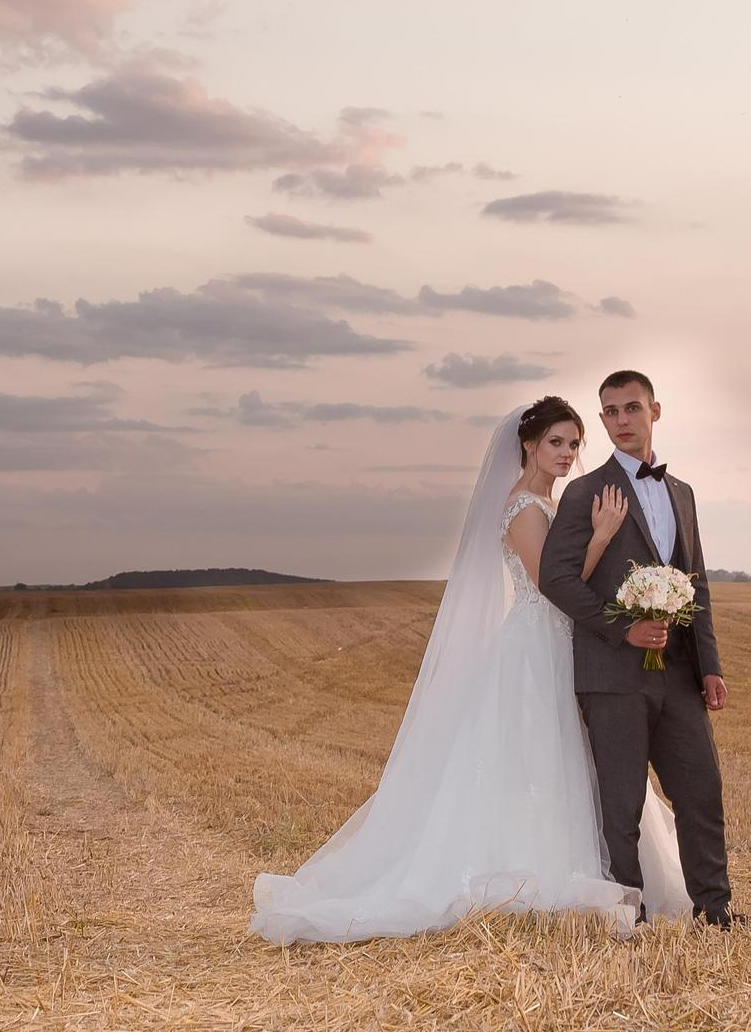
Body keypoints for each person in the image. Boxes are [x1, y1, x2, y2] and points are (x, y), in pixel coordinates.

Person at [251, 396, 691, 944]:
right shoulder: (524, 508)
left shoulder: (552, 505)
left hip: (568, 645)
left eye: (574, 443)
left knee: (574, 757)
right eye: (556, 442)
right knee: (535, 755)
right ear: (529, 445)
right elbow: (549, 586)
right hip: (536, 646)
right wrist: (601, 537)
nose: (566, 453)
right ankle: (530, 869)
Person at [539, 370, 738, 927]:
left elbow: (695, 582)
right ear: (602, 419)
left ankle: (715, 912)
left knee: (702, 791)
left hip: (677, 675)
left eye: (632, 408)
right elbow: (555, 580)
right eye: (610, 412)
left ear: (655, 411)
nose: (622, 421)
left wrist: (709, 667)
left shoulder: (683, 493)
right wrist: (619, 628)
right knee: (621, 805)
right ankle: (631, 916)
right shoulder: (584, 492)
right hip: (611, 675)